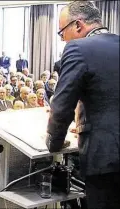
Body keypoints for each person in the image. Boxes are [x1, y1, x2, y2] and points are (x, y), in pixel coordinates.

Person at [46, 2, 119, 208]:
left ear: (78, 25)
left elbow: (61, 106)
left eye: (62, 32)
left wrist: (54, 143)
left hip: (105, 158)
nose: (63, 39)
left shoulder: (78, 48)